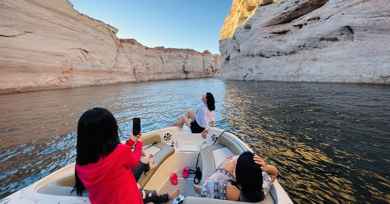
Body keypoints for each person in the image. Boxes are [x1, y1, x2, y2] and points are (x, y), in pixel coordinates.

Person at [74, 107, 178, 204]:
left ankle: (159, 194)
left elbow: (113, 154)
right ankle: (164, 196)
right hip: (129, 200)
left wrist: (131, 142)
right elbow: (134, 160)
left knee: (143, 186)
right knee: (144, 168)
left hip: (108, 198)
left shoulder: (79, 164)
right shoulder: (120, 152)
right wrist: (139, 144)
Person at [195, 151, 278, 202]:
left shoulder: (216, 187)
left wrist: (225, 170)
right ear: (259, 177)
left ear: (237, 176)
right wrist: (266, 167)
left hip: (207, 191)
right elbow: (274, 172)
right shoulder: (263, 188)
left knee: (202, 187)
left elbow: (208, 185)